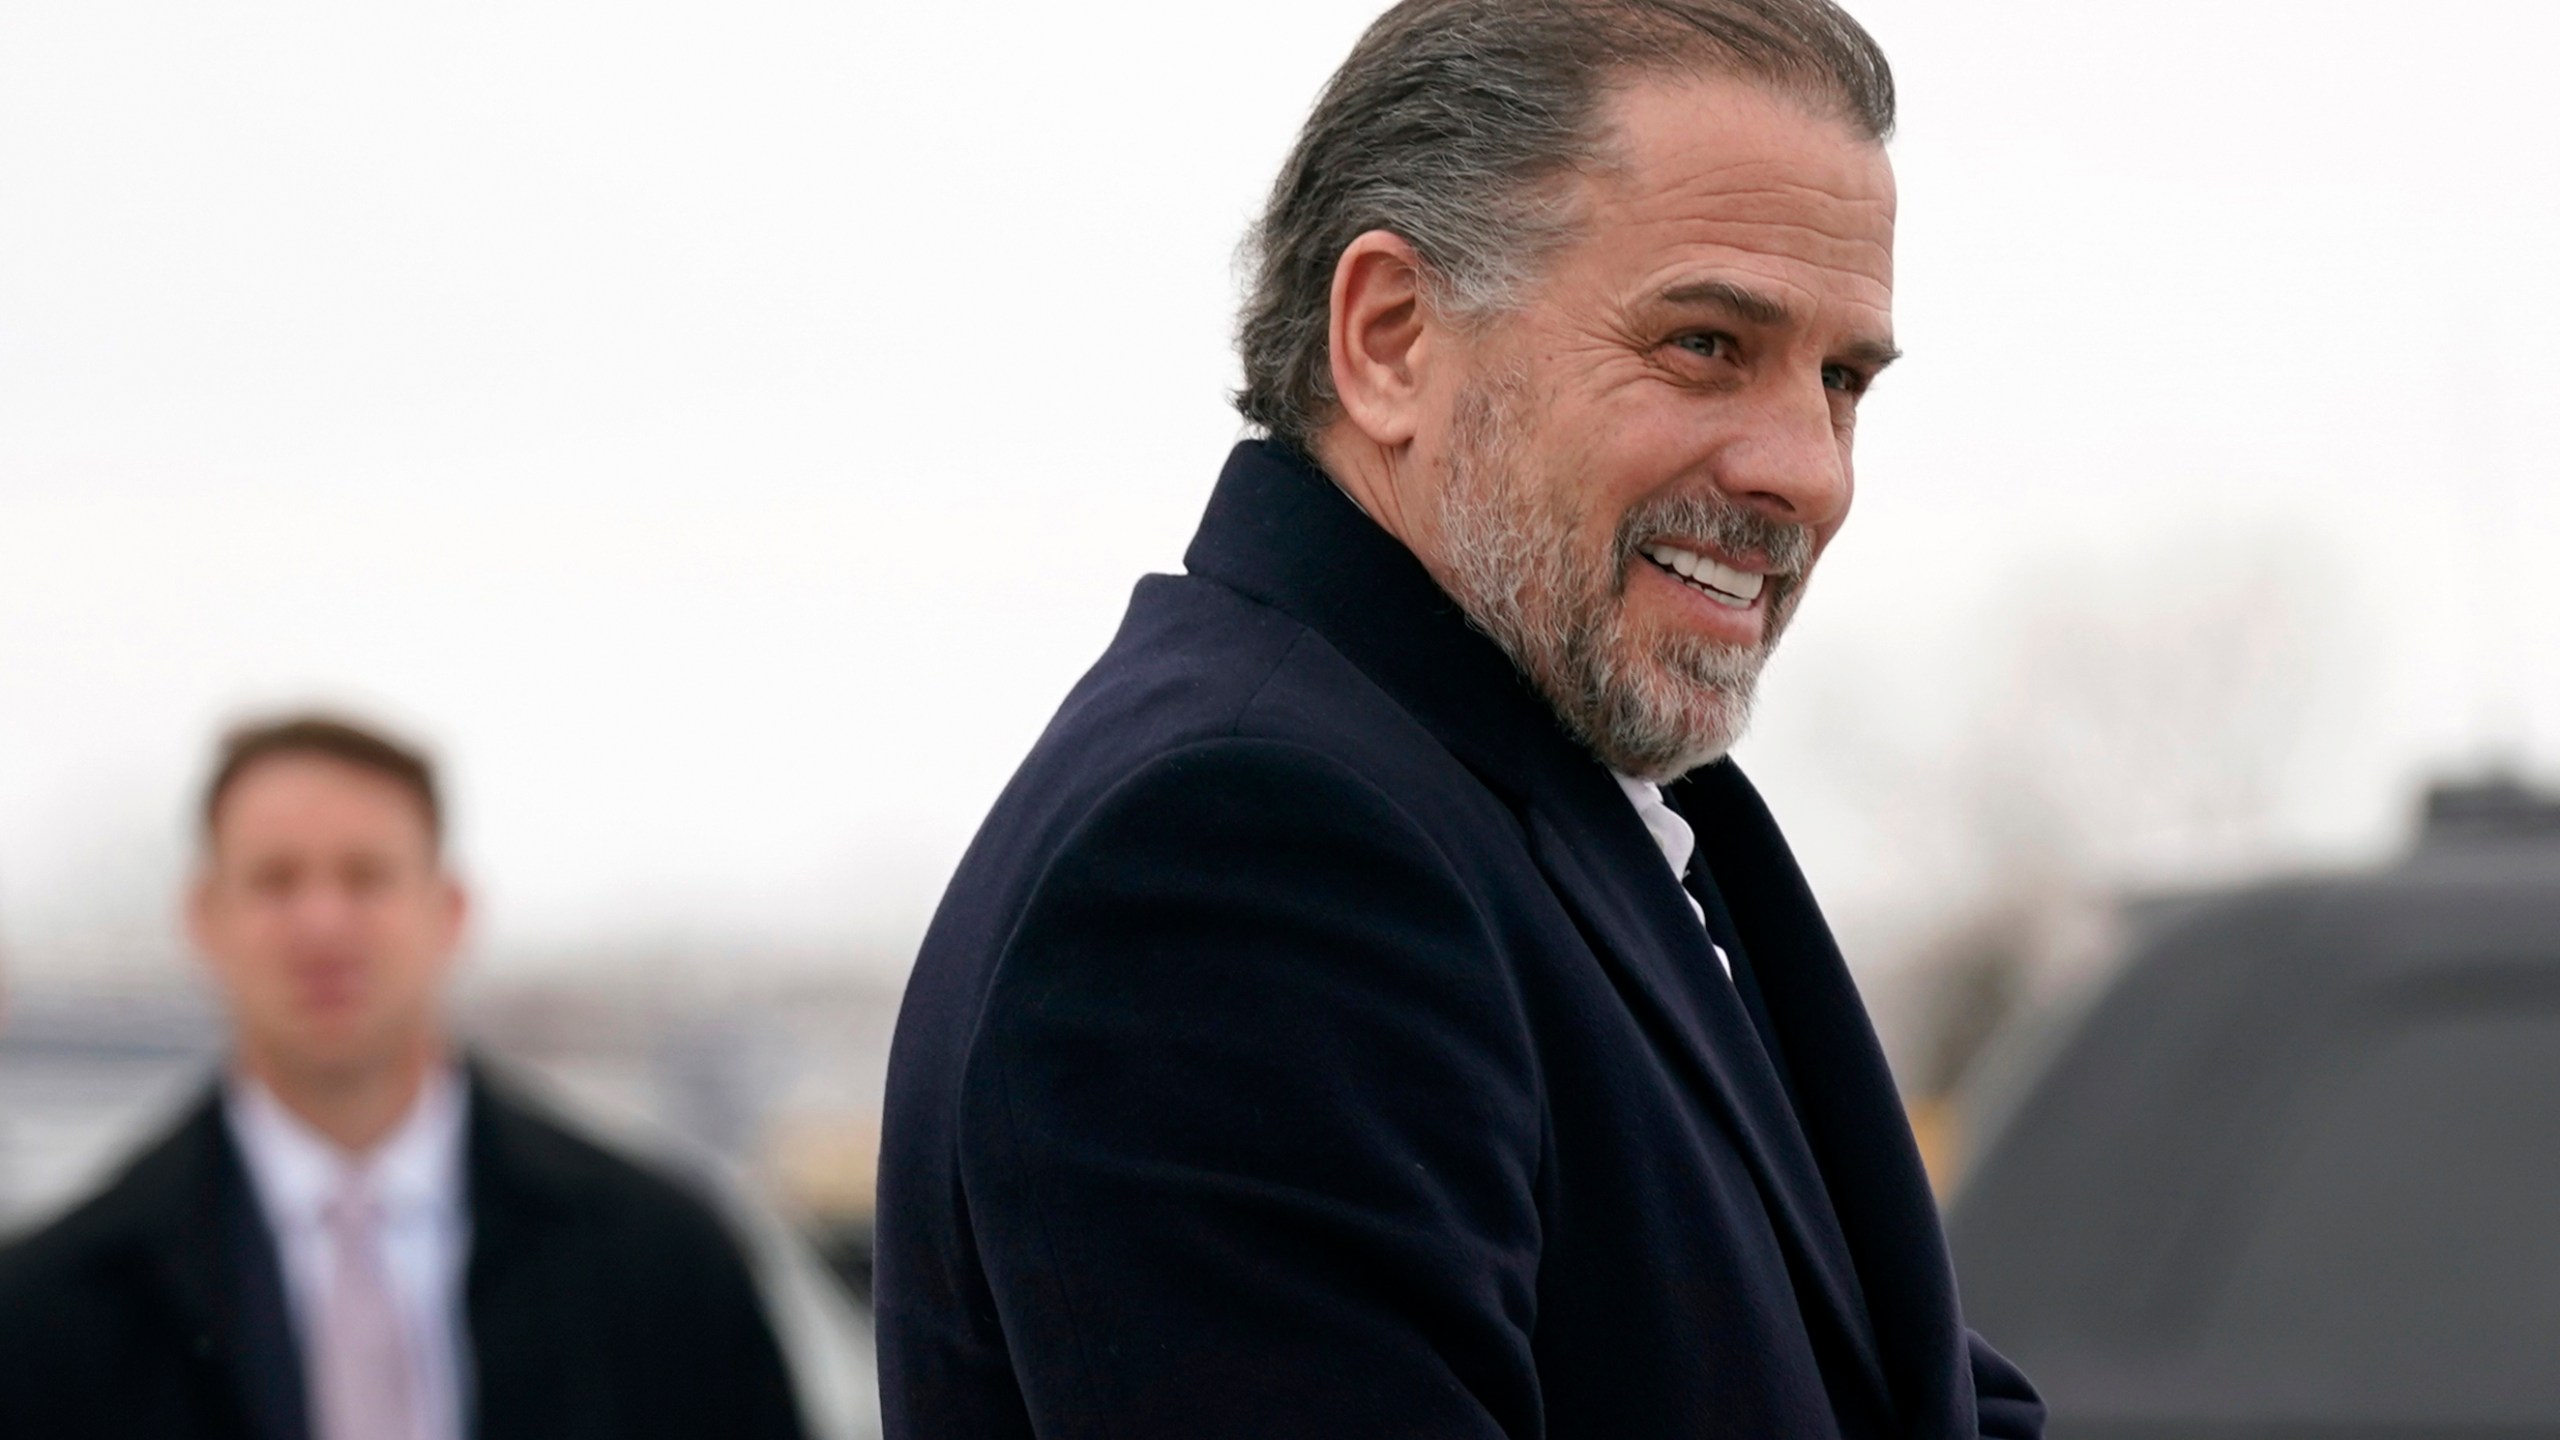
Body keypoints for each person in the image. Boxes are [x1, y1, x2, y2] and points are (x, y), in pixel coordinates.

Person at [874, 0, 2045, 1436]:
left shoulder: (1542, 807)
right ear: (1388, 339)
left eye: (1842, 381)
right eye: (1703, 343)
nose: (1805, 469)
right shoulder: (1245, 861)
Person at [0, 714, 807, 1440]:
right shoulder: (53, 1307)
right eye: (275, 881)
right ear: (203, 919)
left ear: (449, 909)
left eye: (366, 876)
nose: (322, 924)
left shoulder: (664, 1263)